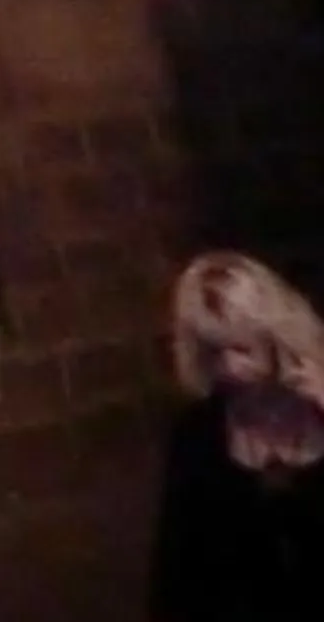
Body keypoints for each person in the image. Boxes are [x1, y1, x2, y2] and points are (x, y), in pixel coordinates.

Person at [149, 251, 324, 619]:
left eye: (242, 349)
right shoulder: (200, 433)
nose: (229, 368)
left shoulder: (317, 405)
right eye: (214, 353)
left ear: (274, 336)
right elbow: (177, 569)